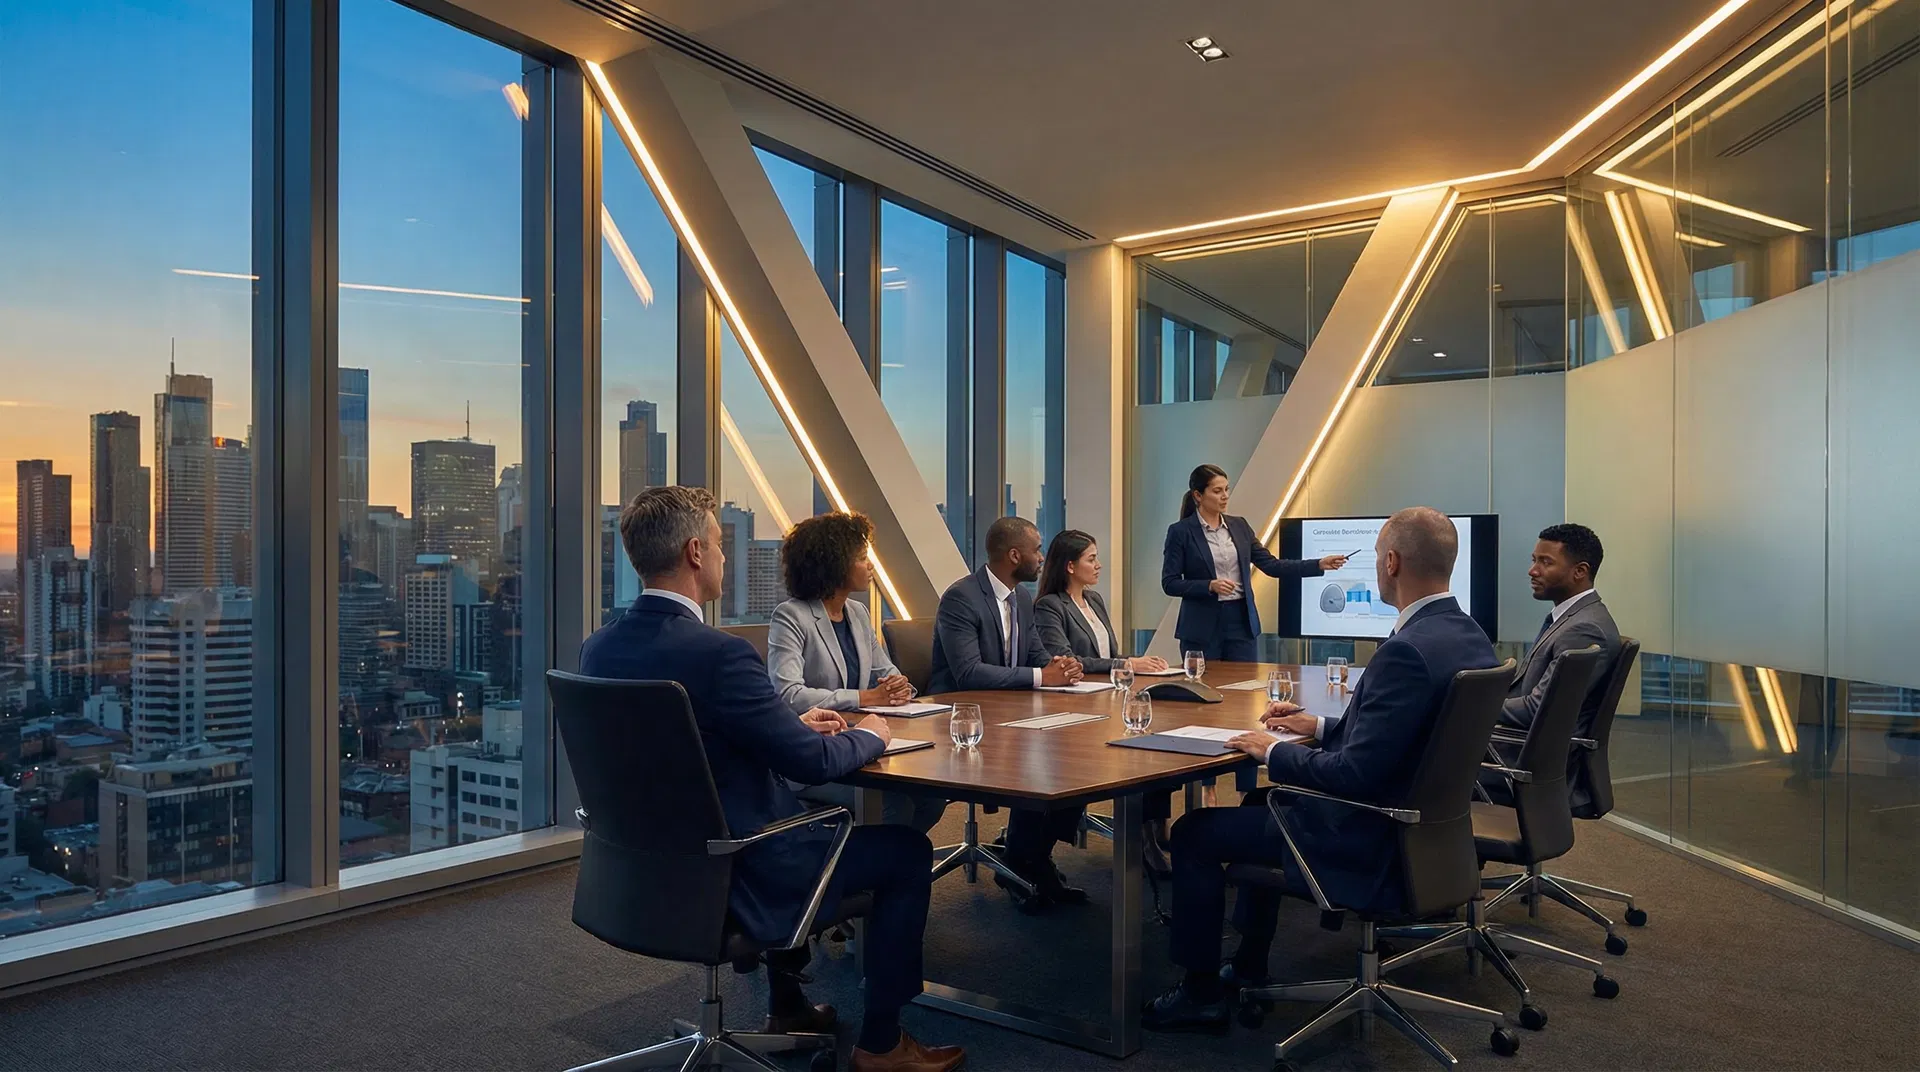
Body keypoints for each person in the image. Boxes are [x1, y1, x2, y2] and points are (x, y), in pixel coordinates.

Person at [579, 487, 963, 1072]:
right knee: (907, 853)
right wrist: (875, 733)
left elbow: (692, 744)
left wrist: (785, 721)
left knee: (821, 822)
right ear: (694, 553)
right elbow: (809, 763)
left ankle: (787, 1009)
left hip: (641, 873)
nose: (725, 557)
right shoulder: (720, 655)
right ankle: (882, 1045)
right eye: (717, 543)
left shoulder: (598, 650)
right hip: (739, 865)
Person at [1142, 507, 1499, 1032]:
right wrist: (1319, 726)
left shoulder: (1405, 651)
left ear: (1392, 562)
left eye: (1377, 557)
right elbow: (1405, 736)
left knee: (1195, 832)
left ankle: (1199, 994)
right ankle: (1247, 962)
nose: (1377, 566)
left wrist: (1273, 752)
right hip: (1427, 827)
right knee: (1258, 803)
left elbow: (1355, 776)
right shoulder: (1468, 636)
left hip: (1370, 830)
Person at [928, 515, 1089, 913]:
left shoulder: (1019, 597)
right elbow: (968, 673)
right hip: (961, 716)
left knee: (1072, 759)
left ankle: (1031, 856)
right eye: (1037, 550)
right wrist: (1041, 676)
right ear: (1014, 554)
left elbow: (1034, 652)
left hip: (1008, 710)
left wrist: (1060, 667)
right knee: (1039, 764)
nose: (1042, 557)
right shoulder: (961, 597)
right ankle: (1021, 860)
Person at [768, 511, 946, 834]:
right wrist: (864, 697)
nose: (871, 566)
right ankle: (864, 873)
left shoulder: (858, 612)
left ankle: (885, 863)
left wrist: (899, 686)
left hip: (863, 745)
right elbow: (788, 695)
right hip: (815, 760)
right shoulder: (791, 617)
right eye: (863, 558)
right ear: (835, 563)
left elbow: (885, 670)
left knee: (930, 799)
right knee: (896, 803)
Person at [1033, 529, 1179, 868]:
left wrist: (1136, 664)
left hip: (1109, 700)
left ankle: (1149, 831)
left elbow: (1106, 655)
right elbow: (1066, 660)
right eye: (1091, 559)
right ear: (1070, 566)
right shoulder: (1049, 606)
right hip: (1073, 708)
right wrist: (1127, 663)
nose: (1099, 565)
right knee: (1135, 754)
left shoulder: (1094, 600)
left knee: (1156, 750)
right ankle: (1141, 840)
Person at [1484, 523, 1621, 813]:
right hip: (1524, 750)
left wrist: (1471, 706)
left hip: (1525, 760)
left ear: (1579, 571)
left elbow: (1538, 708)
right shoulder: (1575, 618)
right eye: (1534, 560)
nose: (1533, 571)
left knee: (1418, 770)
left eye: (1546, 562)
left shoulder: (1584, 629)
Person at [1161, 463, 1348, 662]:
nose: (1225, 496)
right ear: (1198, 495)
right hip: (1201, 627)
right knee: (1205, 688)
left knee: (1243, 686)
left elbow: (1272, 565)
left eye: (1226, 489)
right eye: (1217, 491)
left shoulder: (1239, 526)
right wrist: (1209, 585)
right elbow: (1170, 583)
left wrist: (1318, 564)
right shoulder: (1180, 532)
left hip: (1240, 622)